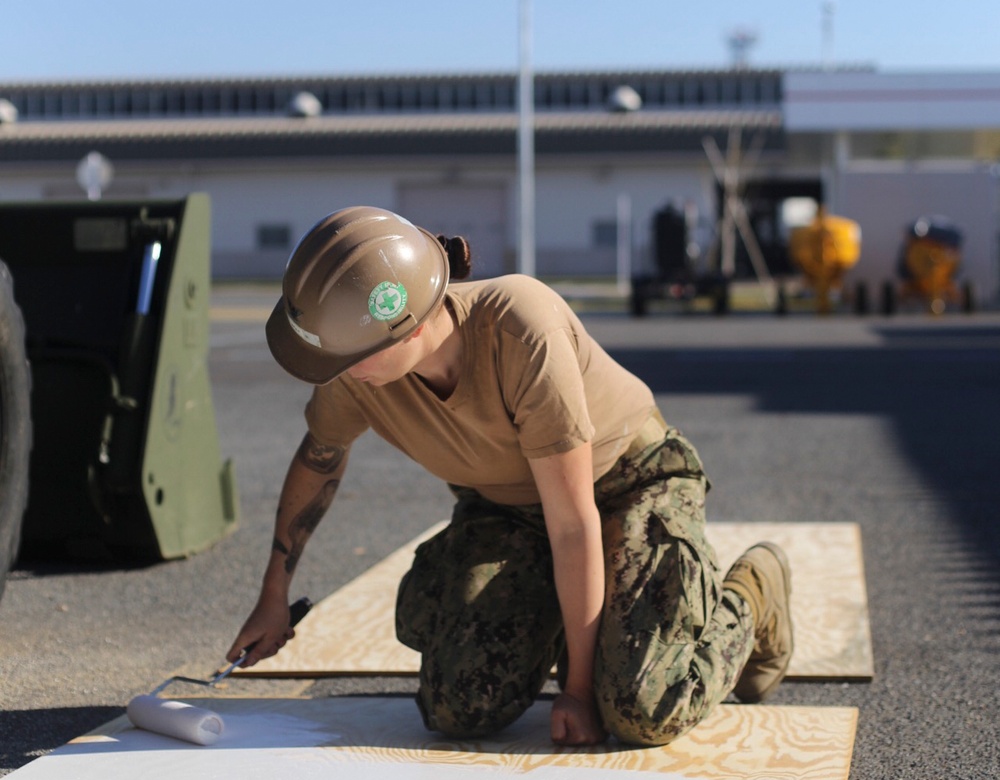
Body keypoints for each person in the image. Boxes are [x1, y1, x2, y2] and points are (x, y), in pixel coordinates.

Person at [229, 206, 793, 747]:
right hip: (508, 510)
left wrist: (577, 694)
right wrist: (273, 595)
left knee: (640, 708)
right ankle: (581, 629)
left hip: (626, 484)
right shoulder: (355, 369)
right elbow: (319, 457)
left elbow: (574, 525)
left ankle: (752, 592)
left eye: (345, 358)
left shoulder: (521, 328)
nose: (334, 373)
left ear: (405, 331)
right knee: (459, 707)